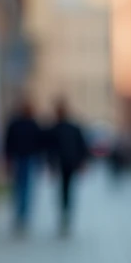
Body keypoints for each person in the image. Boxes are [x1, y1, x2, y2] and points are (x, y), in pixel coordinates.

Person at [45, 98, 90, 236]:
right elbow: (82, 146)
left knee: (64, 190)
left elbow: (50, 148)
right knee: (67, 189)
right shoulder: (70, 127)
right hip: (69, 163)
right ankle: (66, 214)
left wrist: (51, 164)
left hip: (65, 163)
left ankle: (65, 214)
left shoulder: (57, 128)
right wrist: (82, 162)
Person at [3, 99, 43, 234]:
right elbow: (8, 142)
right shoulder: (17, 123)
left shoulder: (30, 124)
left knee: (24, 187)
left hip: (27, 158)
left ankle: (22, 215)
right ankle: (21, 214)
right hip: (19, 158)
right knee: (20, 187)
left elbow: (39, 143)